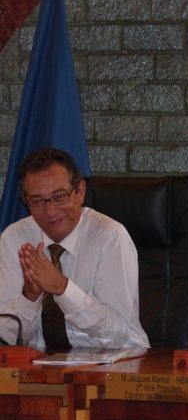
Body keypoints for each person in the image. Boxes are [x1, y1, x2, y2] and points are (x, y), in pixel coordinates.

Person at [0, 148, 149, 349]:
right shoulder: (14, 238)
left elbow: (117, 334)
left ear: (80, 192)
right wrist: (30, 296)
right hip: (42, 364)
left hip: (118, 361)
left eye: (59, 196)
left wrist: (63, 288)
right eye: (37, 201)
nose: (50, 211)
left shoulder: (110, 236)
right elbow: (7, 339)